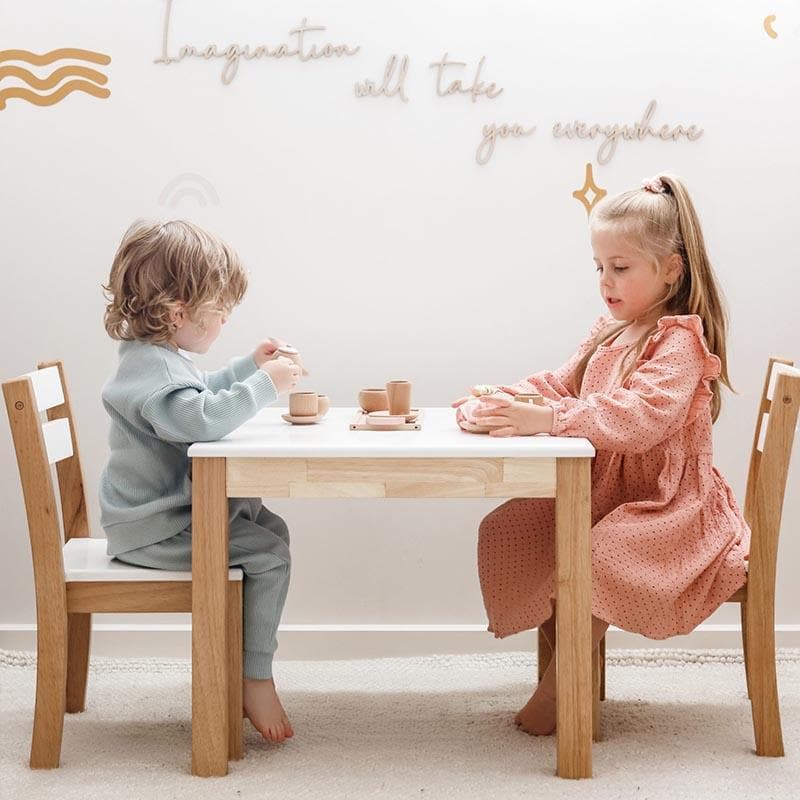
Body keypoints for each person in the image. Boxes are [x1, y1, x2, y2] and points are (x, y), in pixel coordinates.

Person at [453, 174, 750, 735]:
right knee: (519, 523)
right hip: (608, 491)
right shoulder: (610, 329)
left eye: (621, 267)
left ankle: (561, 690)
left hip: (670, 505)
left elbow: (639, 418)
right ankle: (571, 669)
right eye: (599, 267)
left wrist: (547, 419)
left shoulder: (679, 341)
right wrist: (504, 398)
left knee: (599, 553)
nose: (605, 281)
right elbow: (562, 384)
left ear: (670, 271)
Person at [99, 219, 300, 743]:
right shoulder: (156, 372)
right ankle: (254, 675)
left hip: (158, 517)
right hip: (156, 529)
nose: (225, 321)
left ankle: (241, 664)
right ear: (178, 313)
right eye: (219, 313)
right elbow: (200, 420)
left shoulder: (153, 362)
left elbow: (197, 392)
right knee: (271, 555)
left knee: (270, 530)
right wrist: (264, 386)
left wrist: (245, 368)